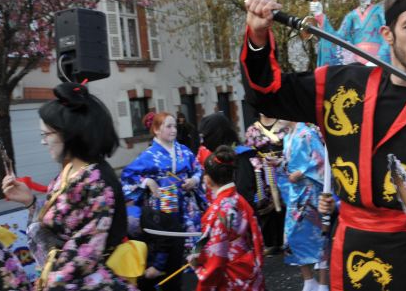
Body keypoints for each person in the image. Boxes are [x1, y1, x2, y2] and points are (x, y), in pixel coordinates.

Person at [241, 0, 406, 291]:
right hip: (349, 243)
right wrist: (257, 35)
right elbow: (267, 94)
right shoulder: (338, 85)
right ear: (387, 34)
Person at [2, 82, 134, 290]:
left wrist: (48, 282)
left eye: (47, 135)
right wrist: (29, 202)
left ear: (69, 134)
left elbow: (84, 255)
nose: (43, 142)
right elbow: (53, 233)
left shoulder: (97, 180)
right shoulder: (70, 172)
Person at [121, 112, 205, 289]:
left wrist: (194, 180)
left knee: (190, 239)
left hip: (186, 201)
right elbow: (127, 175)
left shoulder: (183, 150)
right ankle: (162, 269)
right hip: (163, 201)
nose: (174, 130)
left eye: (175, 126)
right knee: (166, 240)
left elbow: (198, 169)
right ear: (156, 130)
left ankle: (192, 273)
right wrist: (146, 181)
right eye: (168, 126)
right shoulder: (148, 155)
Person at [191, 145, 265, 290]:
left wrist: (198, 265)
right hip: (248, 267)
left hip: (231, 274)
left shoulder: (216, 212)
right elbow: (257, 237)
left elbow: (216, 260)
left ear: (207, 180)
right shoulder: (240, 200)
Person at [275, 120, 329, 291]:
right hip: (295, 193)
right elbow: (290, 162)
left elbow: (321, 159)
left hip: (311, 191)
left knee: (320, 237)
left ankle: (323, 282)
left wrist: (302, 172)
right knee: (291, 236)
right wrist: (278, 164)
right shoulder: (287, 136)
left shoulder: (307, 133)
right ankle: (308, 280)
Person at [311, 0, 390, 66]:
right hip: (356, 64)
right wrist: (320, 15)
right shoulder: (351, 16)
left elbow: (389, 35)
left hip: (377, 62)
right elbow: (338, 40)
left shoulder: (381, 12)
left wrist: (380, 58)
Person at [243, 112, 287, 256]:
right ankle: (270, 242)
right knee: (266, 207)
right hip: (263, 172)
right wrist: (259, 166)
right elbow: (250, 153)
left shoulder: (283, 124)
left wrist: (282, 161)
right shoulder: (252, 130)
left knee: (287, 204)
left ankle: (286, 240)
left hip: (284, 169)